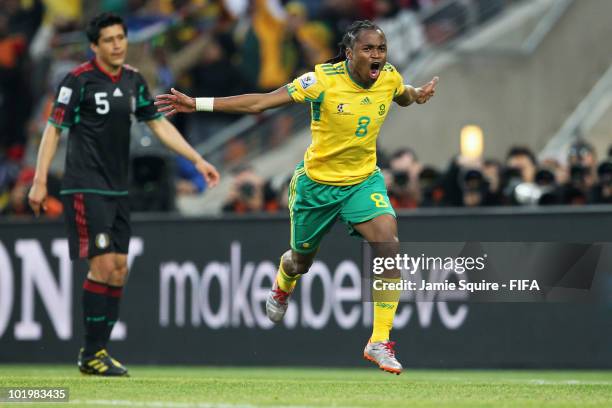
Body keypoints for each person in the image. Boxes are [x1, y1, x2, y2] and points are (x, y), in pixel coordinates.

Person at [156, 20, 437, 375]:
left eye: (380, 49)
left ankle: (379, 340)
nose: (376, 55)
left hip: (363, 181)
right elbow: (260, 102)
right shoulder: (321, 80)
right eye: (367, 49)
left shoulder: (390, 77)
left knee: (388, 243)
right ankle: (282, 285)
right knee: (300, 261)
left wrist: (417, 93)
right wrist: (198, 103)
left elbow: (404, 93)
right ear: (349, 54)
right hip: (316, 187)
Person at [28, 13, 220, 377]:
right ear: (94, 46)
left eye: (121, 38)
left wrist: (196, 160)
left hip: (118, 188)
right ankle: (91, 352)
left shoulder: (133, 80)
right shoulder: (78, 80)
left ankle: (99, 351)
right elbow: (54, 129)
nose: (117, 44)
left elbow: (158, 124)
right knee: (101, 265)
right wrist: (39, 181)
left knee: (119, 269)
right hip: (86, 186)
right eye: (109, 40)